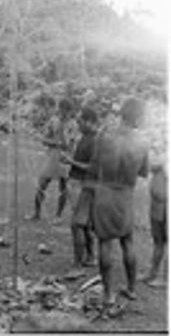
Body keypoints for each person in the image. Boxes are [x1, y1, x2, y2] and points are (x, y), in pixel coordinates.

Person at [91, 97, 149, 308]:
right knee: (128, 242)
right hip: (125, 195)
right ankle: (131, 289)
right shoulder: (143, 141)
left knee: (105, 243)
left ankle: (108, 294)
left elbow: (95, 162)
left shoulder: (104, 134)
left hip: (105, 193)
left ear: (122, 113)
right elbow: (143, 171)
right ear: (138, 116)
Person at [64, 106, 98, 269]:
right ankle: (90, 256)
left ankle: (78, 264)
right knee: (85, 223)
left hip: (82, 184)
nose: (78, 124)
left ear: (89, 121)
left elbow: (92, 167)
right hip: (79, 183)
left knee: (77, 224)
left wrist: (70, 162)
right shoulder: (85, 137)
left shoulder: (94, 140)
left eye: (80, 121)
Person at [31, 98, 77, 221]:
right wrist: (55, 142)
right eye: (61, 109)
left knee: (63, 188)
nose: (62, 113)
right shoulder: (53, 121)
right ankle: (36, 213)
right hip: (51, 156)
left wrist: (59, 138)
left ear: (70, 112)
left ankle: (58, 215)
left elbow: (69, 146)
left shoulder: (73, 125)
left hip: (64, 159)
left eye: (66, 111)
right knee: (41, 184)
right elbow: (44, 140)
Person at [139, 157, 168, 287]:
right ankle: (152, 272)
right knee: (158, 242)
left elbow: (158, 163)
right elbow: (150, 166)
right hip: (158, 208)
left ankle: (166, 279)